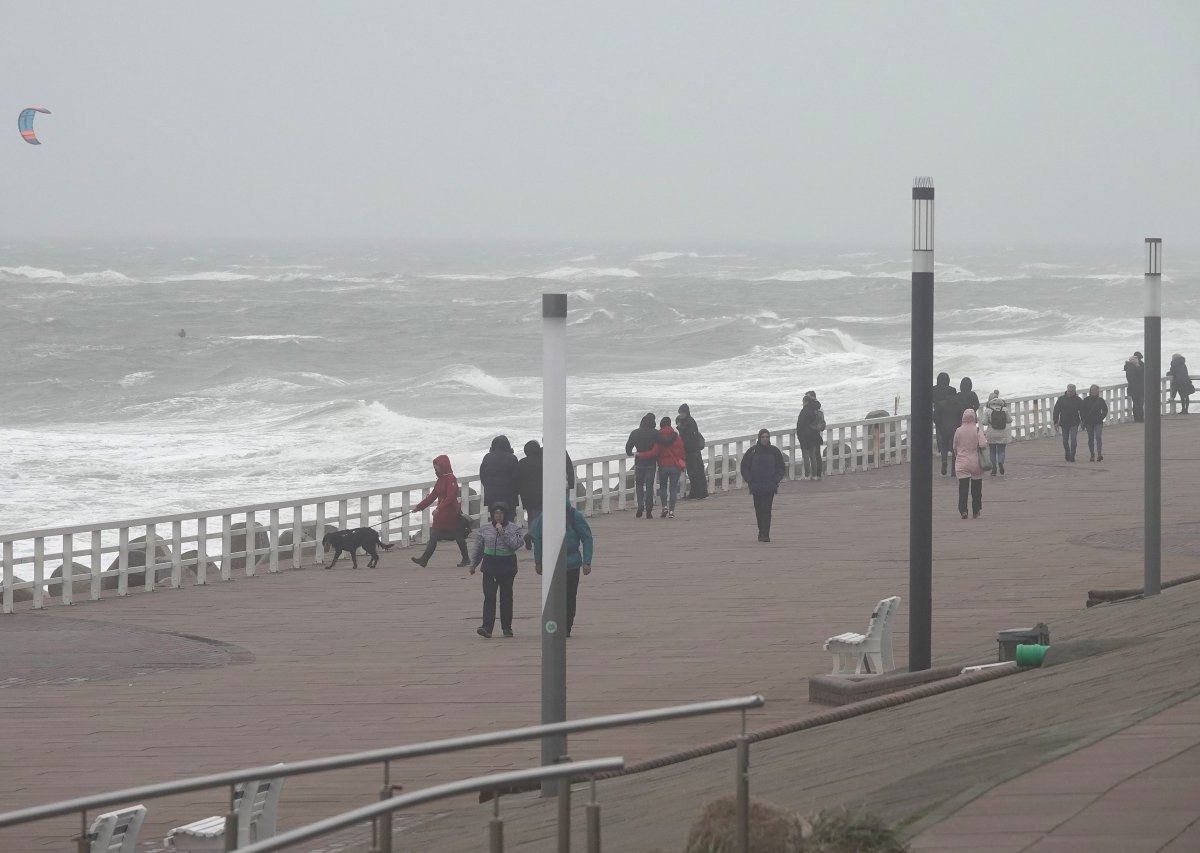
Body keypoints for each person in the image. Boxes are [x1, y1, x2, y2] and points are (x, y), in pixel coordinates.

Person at [532, 500, 594, 638]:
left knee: (570, 596)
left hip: (571, 563)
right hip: (551, 564)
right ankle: (554, 625)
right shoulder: (545, 517)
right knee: (553, 597)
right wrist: (538, 561)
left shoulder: (574, 516)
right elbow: (538, 539)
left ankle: (567, 626)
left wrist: (587, 561)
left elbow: (587, 537)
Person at [469, 502, 525, 639]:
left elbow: (516, 545)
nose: (498, 517)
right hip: (490, 565)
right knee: (489, 597)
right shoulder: (484, 529)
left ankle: (507, 627)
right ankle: (487, 627)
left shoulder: (515, 529)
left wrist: (503, 532)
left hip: (507, 565)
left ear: (505, 515)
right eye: (496, 514)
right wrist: (474, 564)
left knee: (506, 597)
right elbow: (478, 547)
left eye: (501, 514)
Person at [410, 455, 470, 568]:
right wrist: (419, 507)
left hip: (451, 513)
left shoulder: (451, 478)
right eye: (435, 466)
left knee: (458, 536)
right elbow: (432, 496)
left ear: (443, 465)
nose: (436, 468)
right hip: (441, 515)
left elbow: (451, 497)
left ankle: (466, 558)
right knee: (434, 535)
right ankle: (424, 559)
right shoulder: (440, 480)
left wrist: (439, 508)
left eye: (437, 466)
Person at [518, 440, 576, 549]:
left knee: (532, 515)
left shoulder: (523, 462)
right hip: (545, 492)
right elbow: (568, 467)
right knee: (547, 515)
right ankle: (536, 535)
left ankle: (534, 535)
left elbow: (518, 478)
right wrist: (570, 484)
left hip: (527, 495)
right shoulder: (545, 459)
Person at [740, 429, 786, 542]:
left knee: (767, 509)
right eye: (763, 437)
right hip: (756, 486)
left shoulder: (774, 451)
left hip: (769, 486)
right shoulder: (752, 451)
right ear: (759, 438)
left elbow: (781, 467)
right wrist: (749, 480)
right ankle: (761, 531)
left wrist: (775, 480)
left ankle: (765, 534)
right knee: (759, 509)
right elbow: (744, 467)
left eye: (767, 437)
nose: (765, 439)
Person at [637, 416, 686, 518]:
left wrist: (640, 455)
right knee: (673, 488)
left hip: (663, 466)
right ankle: (672, 511)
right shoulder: (676, 437)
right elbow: (682, 452)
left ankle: (664, 507)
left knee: (663, 487)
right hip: (675, 466)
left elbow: (654, 452)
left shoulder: (658, 437)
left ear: (661, 425)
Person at [953, 409, 988, 519]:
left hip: (961, 462)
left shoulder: (958, 430)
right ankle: (976, 510)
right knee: (976, 488)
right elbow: (983, 444)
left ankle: (963, 510)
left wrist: (958, 454)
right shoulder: (977, 430)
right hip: (975, 461)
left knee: (963, 488)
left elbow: (954, 447)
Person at [625, 413, 660, 519]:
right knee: (649, 486)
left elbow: (628, 449)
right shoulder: (655, 433)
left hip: (639, 462)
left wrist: (633, 454)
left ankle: (640, 505)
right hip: (651, 462)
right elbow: (661, 446)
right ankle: (649, 509)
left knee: (639, 485)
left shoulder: (635, 433)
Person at [479, 435, 520, 516]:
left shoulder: (487, 457)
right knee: (508, 521)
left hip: (492, 496)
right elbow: (517, 478)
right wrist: (515, 491)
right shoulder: (512, 458)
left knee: (495, 520)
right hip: (509, 496)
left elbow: (483, 476)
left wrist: (488, 487)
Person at [676, 404, 708, 500]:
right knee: (695, 472)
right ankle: (698, 493)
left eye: (682, 412)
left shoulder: (689, 422)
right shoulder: (688, 421)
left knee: (695, 473)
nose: (681, 414)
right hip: (693, 451)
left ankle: (699, 493)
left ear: (686, 412)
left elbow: (689, 437)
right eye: (680, 412)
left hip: (692, 451)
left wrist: (680, 429)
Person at [795, 391, 826, 480]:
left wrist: (800, 436)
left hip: (806, 436)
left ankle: (807, 475)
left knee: (806, 457)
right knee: (813, 456)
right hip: (815, 435)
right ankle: (816, 475)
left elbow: (800, 424)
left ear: (805, 401)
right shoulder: (816, 408)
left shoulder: (804, 411)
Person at [981, 390, 1010, 476]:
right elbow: (1009, 420)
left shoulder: (988, 410)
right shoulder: (1004, 409)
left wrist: (991, 421)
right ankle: (1000, 462)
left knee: (992, 451)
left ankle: (994, 467)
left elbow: (984, 422)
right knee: (1001, 450)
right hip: (1002, 433)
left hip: (991, 433)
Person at [935, 385, 963, 477]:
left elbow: (935, 417)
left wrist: (939, 425)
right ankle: (953, 471)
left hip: (944, 429)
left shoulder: (941, 404)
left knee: (944, 446)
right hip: (956, 429)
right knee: (955, 449)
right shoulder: (959, 405)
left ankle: (944, 461)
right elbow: (961, 418)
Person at [1053, 384, 1084, 462]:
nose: (1069, 393)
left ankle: (1072, 455)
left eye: (1071, 391)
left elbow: (1082, 411)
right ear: (1066, 390)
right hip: (1064, 422)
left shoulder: (1078, 399)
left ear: (1074, 391)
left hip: (1074, 422)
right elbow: (1056, 411)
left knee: (1073, 439)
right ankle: (1067, 452)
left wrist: (1083, 421)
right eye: (1068, 391)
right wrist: (1055, 422)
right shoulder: (1061, 399)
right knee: (1065, 440)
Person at [1080, 384, 1109, 462]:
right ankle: (1092, 454)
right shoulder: (1086, 400)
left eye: (1095, 390)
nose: (1094, 391)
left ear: (1098, 391)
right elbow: (1082, 411)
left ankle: (1099, 455)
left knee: (1098, 437)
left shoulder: (1100, 400)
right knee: (1091, 438)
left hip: (1098, 422)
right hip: (1088, 422)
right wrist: (1083, 419)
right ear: (1090, 391)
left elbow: (1105, 410)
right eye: (1092, 390)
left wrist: (1101, 417)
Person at [1124, 352, 1145, 422]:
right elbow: (1138, 375)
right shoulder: (1133, 368)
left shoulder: (1129, 367)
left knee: (1136, 404)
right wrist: (1138, 366)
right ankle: (1139, 418)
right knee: (1139, 404)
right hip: (1138, 388)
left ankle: (1137, 418)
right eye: (1137, 361)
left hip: (1133, 389)